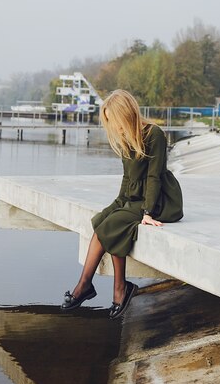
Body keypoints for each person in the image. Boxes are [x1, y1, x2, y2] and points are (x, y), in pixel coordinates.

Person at [61, 89, 184, 320]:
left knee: (114, 224)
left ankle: (96, 287)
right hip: (138, 198)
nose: (114, 126)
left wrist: (147, 212)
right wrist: (115, 205)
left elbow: (153, 177)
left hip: (161, 200)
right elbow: (128, 180)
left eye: (114, 120)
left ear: (125, 114)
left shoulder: (153, 134)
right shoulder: (127, 138)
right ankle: (109, 287)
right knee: (104, 221)